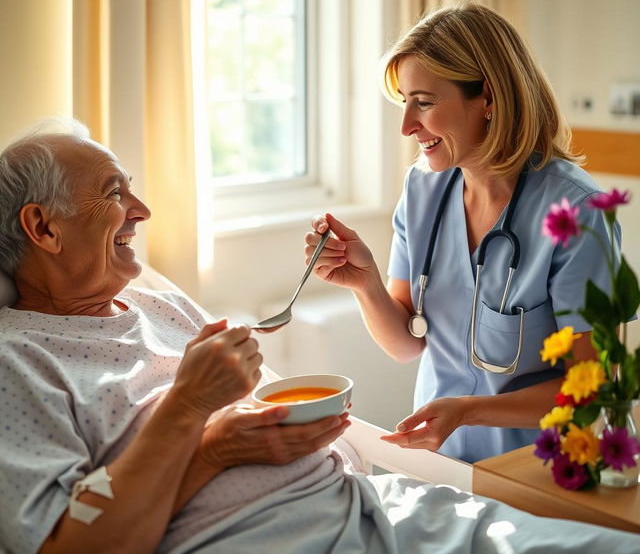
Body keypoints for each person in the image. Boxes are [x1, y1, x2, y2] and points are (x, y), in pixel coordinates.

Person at [2, 119, 638, 554]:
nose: (141, 211)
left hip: (377, 503)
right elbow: (78, 543)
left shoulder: (152, 299)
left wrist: (303, 429)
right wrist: (200, 426)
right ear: (43, 228)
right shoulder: (19, 364)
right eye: (116, 194)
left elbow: (268, 400)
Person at [304, 1, 621, 463]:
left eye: (425, 103)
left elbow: (592, 386)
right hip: (439, 466)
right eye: (405, 102)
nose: (407, 125)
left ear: (488, 98)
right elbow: (406, 345)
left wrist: (471, 411)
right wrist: (365, 282)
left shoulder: (574, 210)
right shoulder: (423, 187)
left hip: (534, 474)